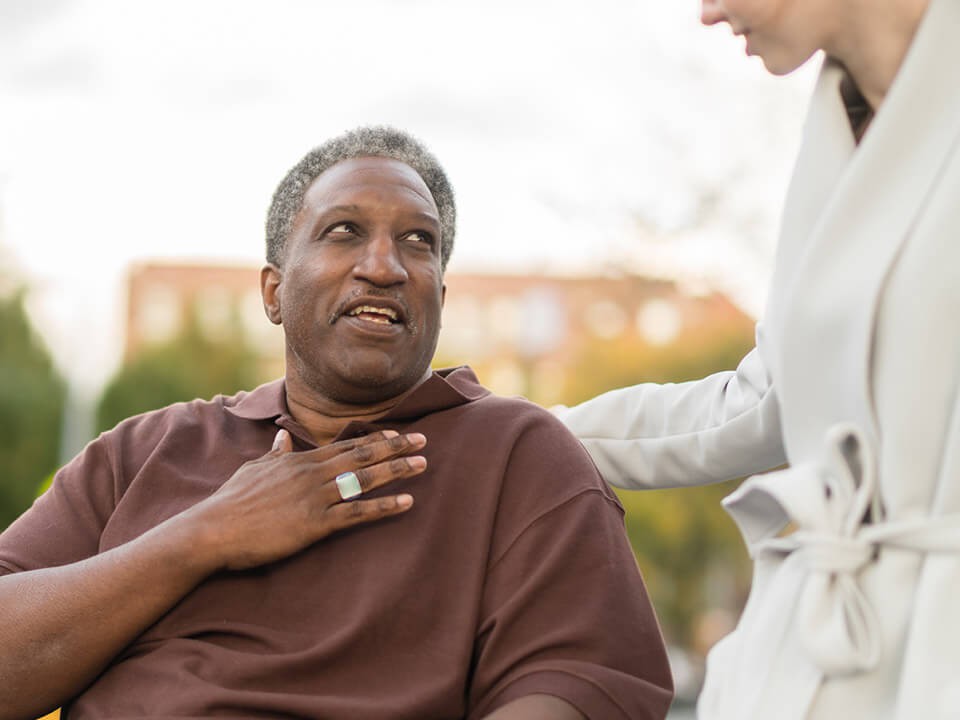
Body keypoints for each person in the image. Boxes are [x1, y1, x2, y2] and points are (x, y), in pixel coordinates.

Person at [0, 126, 673, 720]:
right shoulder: (144, 451)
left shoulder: (519, 456)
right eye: (344, 230)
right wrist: (203, 536)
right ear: (273, 292)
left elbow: (583, 685)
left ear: (440, 295)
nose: (383, 266)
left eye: (419, 241)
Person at [556, 0, 960, 718]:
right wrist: (521, 432)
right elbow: (765, 399)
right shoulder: (838, 122)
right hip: (817, 658)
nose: (709, 13)